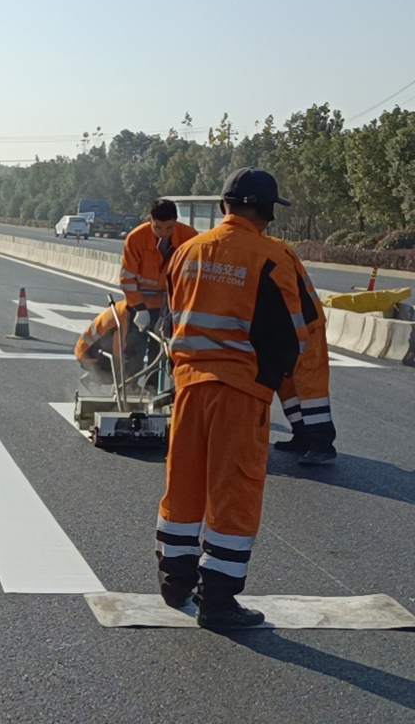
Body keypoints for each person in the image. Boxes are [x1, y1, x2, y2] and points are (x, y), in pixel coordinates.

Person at [155, 167, 309, 629]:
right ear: (265, 211)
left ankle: (174, 582)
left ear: (224, 205)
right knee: (234, 493)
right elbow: (290, 338)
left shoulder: (185, 251)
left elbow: (169, 321)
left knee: (183, 485)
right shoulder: (271, 258)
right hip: (240, 394)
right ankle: (218, 600)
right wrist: (266, 383)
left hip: (189, 389)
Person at [268, 239, 337, 466]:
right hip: (290, 327)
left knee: (310, 386)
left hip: (306, 327)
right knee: (287, 385)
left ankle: (322, 445)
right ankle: (302, 435)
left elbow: (289, 297)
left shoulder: (271, 251)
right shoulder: (267, 248)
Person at [120, 199, 198, 335]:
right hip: (140, 303)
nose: (163, 232)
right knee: (134, 347)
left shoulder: (189, 237)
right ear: (150, 220)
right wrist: (139, 308)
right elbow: (127, 279)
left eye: (169, 227)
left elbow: (193, 277)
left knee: (162, 350)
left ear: (176, 220)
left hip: (171, 305)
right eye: (158, 227)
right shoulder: (136, 238)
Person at [74, 300, 148, 387]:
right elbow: (118, 351)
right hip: (88, 353)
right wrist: (121, 378)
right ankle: (98, 377)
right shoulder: (123, 320)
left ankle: (95, 377)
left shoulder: (127, 308)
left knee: (134, 354)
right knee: (133, 360)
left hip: (89, 349)